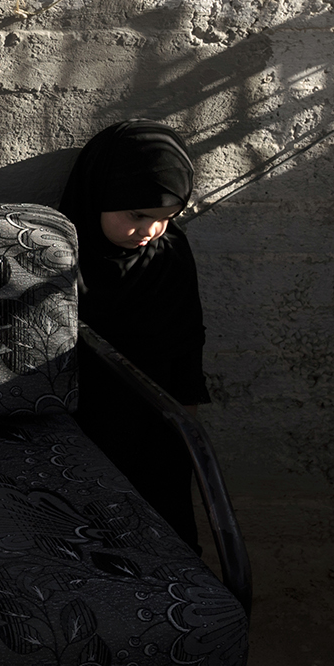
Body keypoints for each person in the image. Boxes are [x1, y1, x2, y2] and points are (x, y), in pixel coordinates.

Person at [58, 120, 211, 550]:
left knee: (162, 526)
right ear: (100, 193)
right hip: (79, 415)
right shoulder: (59, 255)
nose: (150, 231)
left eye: (166, 217)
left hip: (152, 418)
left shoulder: (170, 253)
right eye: (138, 214)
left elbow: (186, 339)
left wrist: (185, 423)